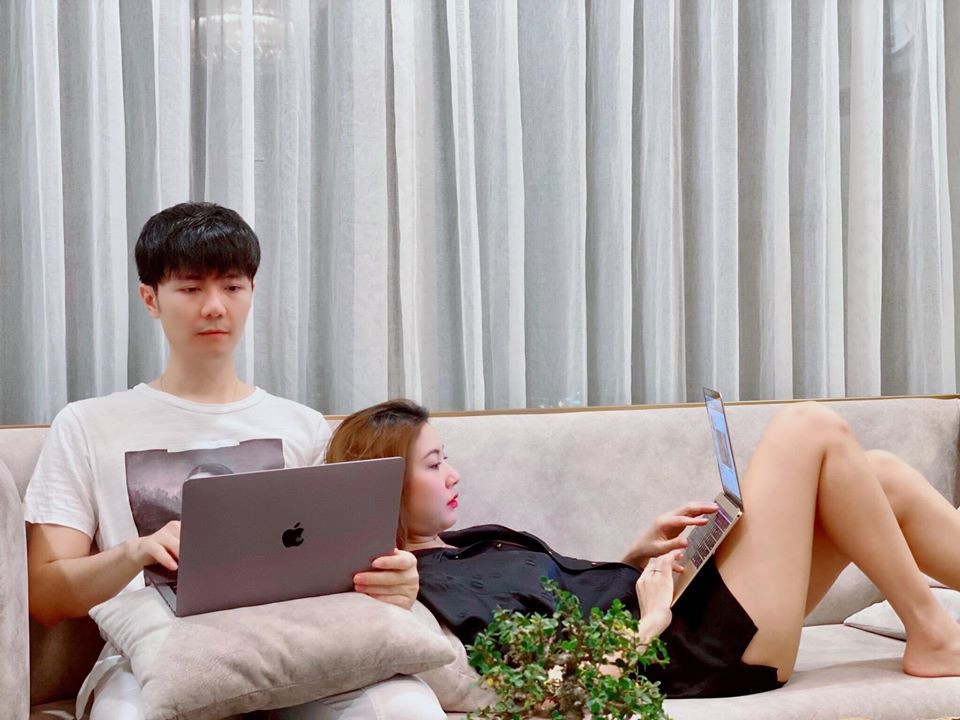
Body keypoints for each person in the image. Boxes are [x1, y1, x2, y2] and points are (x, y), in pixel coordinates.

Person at [23, 203, 445, 720]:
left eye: (232, 286)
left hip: (298, 653)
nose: (214, 307)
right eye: (190, 288)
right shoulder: (89, 425)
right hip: (152, 661)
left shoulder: (303, 427)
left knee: (406, 707)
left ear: (251, 292)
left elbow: (341, 571)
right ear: (150, 299)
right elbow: (45, 595)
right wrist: (135, 553)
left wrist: (396, 582)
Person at [325, 398, 960, 698]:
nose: (454, 475)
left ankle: (934, 632)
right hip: (698, 650)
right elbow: (556, 692)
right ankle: (933, 634)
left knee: (877, 473)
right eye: (434, 464)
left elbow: (567, 603)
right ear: (386, 484)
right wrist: (650, 619)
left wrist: (635, 558)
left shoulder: (468, 544)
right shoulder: (436, 590)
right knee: (809, 426)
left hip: (690, 610)